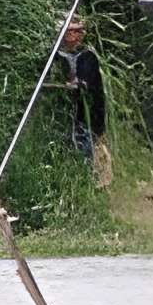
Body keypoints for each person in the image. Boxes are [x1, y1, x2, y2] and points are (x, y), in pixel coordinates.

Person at [57, 14, 112, 190]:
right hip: (62, 115)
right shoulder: (55, 56)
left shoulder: (87, 56)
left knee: (86, 148)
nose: (78, 35)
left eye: (80, 31)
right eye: (74, 31)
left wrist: (79, 84)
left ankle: (87, 185)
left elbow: (91, 87)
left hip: (85, 115)